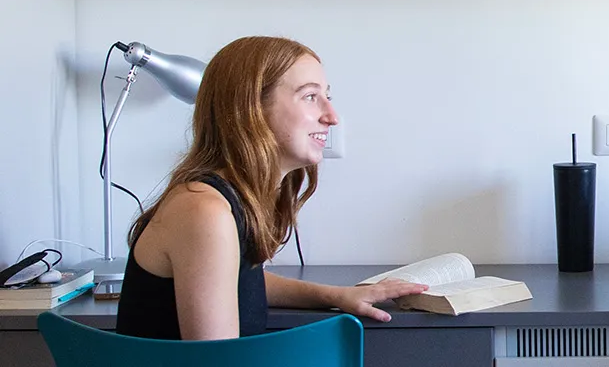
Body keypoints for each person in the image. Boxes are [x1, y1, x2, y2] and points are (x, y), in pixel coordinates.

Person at [115, 36, 427, 340]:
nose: (331, 117)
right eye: (309, 96)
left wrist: (337, 295)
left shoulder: (227, 199)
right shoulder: (203, 209)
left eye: (327, 97)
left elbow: (241, 282)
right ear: (250, 109)